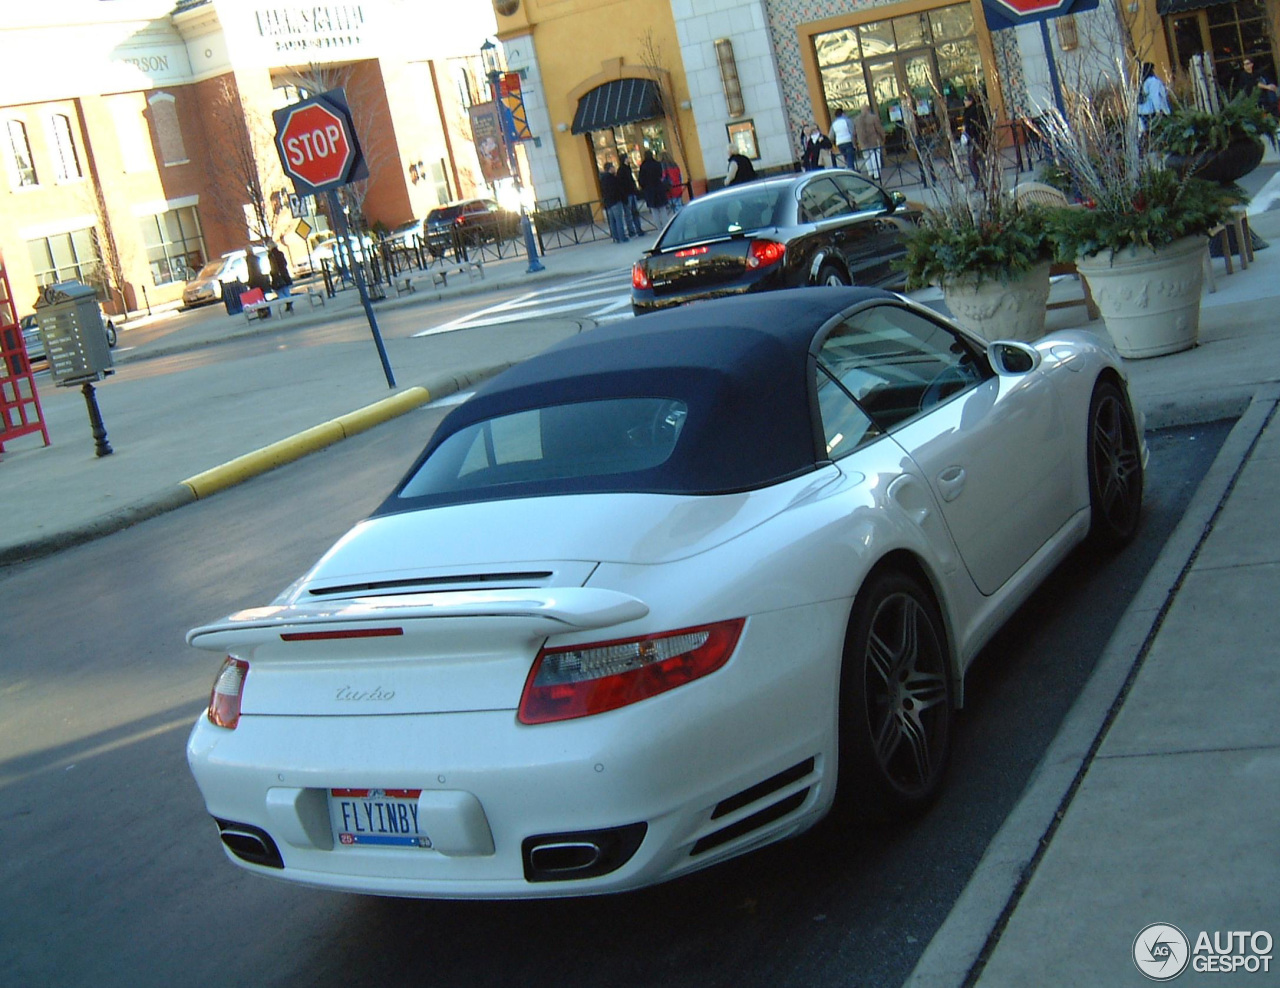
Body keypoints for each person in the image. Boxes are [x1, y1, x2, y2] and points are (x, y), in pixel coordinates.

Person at [961, 93, 988, 184]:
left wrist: (967, 131)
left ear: (970, 101)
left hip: (976, 139)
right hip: (975, 139)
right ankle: (983, 180)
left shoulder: (974, 111)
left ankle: (980, 181)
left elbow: (974, 125)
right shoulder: (968, 111)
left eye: (965, 100)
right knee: (979, 160)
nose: (964, 102)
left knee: (973, 161)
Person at [599, 162, 628, 243]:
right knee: (619, 220)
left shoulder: (602, 179)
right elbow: (617, 189)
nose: (614, 168)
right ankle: (622, 237)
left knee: (612, 222)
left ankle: (616, 237)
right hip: (615, 201)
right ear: (610, 169)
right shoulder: (613, 178)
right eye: (613, 167)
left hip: (608, 202)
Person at [855, 104, 885, 180]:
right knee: (875, 158)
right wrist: (883, 137)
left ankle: (870, 173)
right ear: (868, 110)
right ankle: (877, 174)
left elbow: (854, 133)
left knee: (867, 158)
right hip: (873, 140)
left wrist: (855, 143)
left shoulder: (856, 120)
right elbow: (879, 128)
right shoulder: (873, 118)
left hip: (863, 143)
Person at [1137, 62, 1171, 128]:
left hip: (1143, 111)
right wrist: (1158, 110)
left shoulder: (1144, 82)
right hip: (1151, 111)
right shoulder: (1153, 81)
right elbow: (1155, 96)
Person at [638, 149, 668, 222]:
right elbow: (660, 175)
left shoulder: (643, 166)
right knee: (663, 210)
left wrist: (643, 188)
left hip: (649, 191)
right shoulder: (657, 164)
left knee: (654, 211)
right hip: (659, 188)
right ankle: (666, 226)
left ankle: (659, 228)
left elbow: (641, 180)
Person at [616, 157, 643, 238]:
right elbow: (623, 184)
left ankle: (637, 229)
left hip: (631, 193)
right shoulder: (622, 170)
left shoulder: (627, 169)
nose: (629, 159)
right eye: (627, 158)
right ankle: (632, 231)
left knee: (634, 212)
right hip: (628, 194)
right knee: (629, 214)